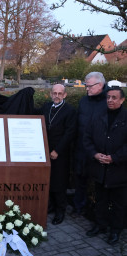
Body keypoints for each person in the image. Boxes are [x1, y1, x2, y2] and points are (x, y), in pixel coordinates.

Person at [84, 87, 127, 245]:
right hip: (100, 168)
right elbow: (87, 138)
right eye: (108, 97)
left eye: (114, 98)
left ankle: (116, 230)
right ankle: (100, 225)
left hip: (119, 170)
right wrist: (95, 154)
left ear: (122, 100)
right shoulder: (98, 116)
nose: (110, 100)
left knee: (118, 203)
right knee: (100, 200)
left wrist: (114, 158)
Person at [40, 84, 76, 225]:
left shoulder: (70, 111)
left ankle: (60, 211)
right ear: (50, 94)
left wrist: (57, 151)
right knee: (48, 180)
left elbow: (70, 133)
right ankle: (51, 206)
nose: (57, 95)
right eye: (54, 93)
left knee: (59, 182)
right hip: (45, 151)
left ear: (65, 95)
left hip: (60, 153)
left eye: (60, 93)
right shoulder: (46, 107)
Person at [73, 72, 108, 215]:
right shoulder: (83, 101)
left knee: (100, 184)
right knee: (80, 180)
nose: (87, 89)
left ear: (100, 85)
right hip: (82, 148)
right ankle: (79, 207)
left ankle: (98, 213)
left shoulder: (109, 101)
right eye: (86, 86)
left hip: (99, 151)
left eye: (89, 86)